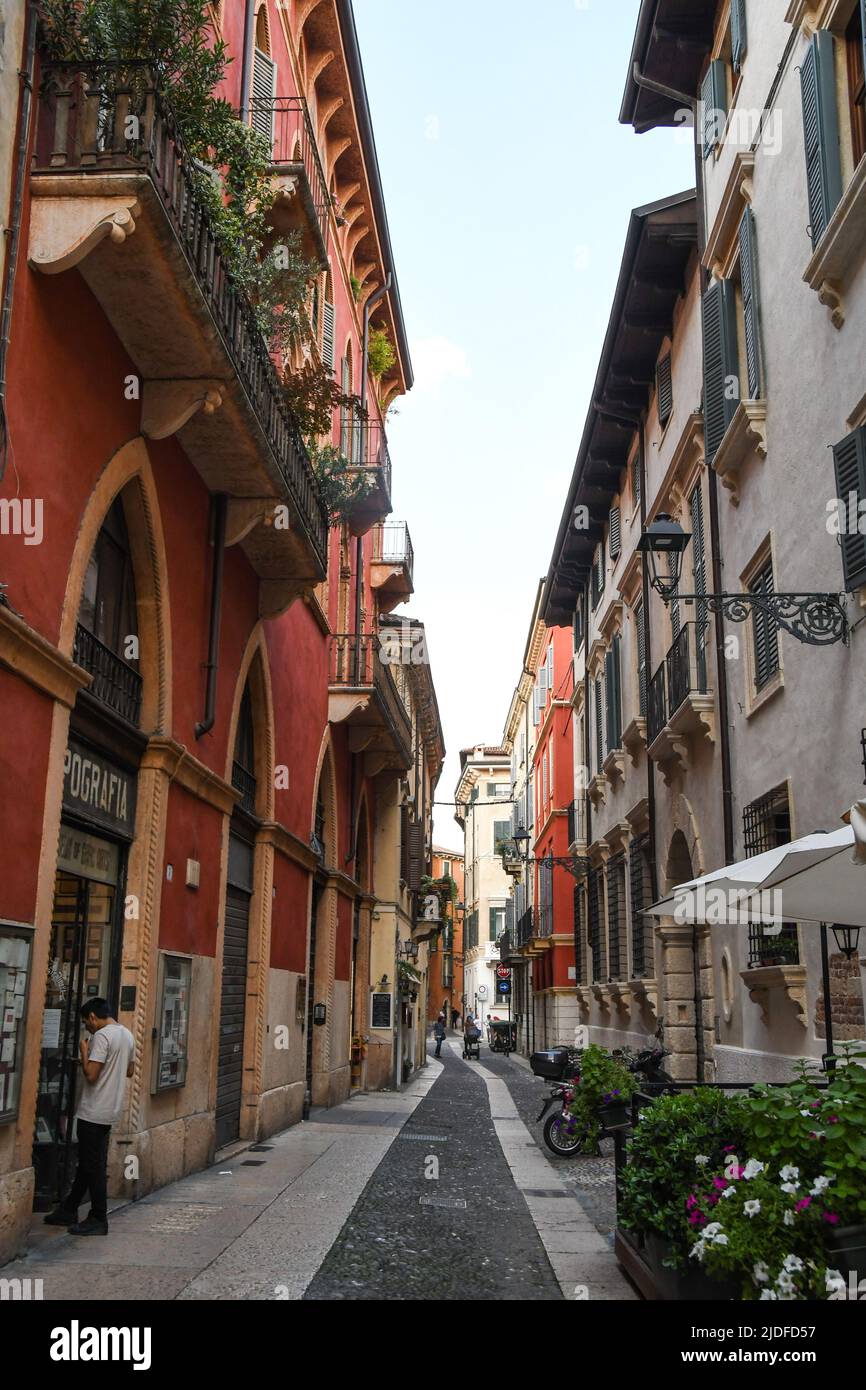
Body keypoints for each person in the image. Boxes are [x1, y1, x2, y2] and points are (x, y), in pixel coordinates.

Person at [44, 997, 135, 1236]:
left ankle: (98, 1217)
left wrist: (85, 1052)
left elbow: (91, 1075)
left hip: (93, 1110)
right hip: (110, 1110)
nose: (87, 1027)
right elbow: (129, 1070)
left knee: (92, 1166)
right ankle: (69, 1208)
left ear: (93, 1017)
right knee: (88, 1162)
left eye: (86, 1022)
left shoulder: (102, 1036)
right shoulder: (127, 1034)